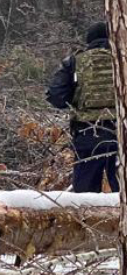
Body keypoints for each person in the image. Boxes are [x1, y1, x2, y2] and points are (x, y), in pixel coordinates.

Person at [47, 21, 120, 192]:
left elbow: (56, 97)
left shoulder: (74, 62)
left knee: (84, 197)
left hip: (88, 133)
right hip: (121, 132)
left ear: (89, 40)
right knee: (123, 195)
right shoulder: (122, 59)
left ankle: (87, 219)